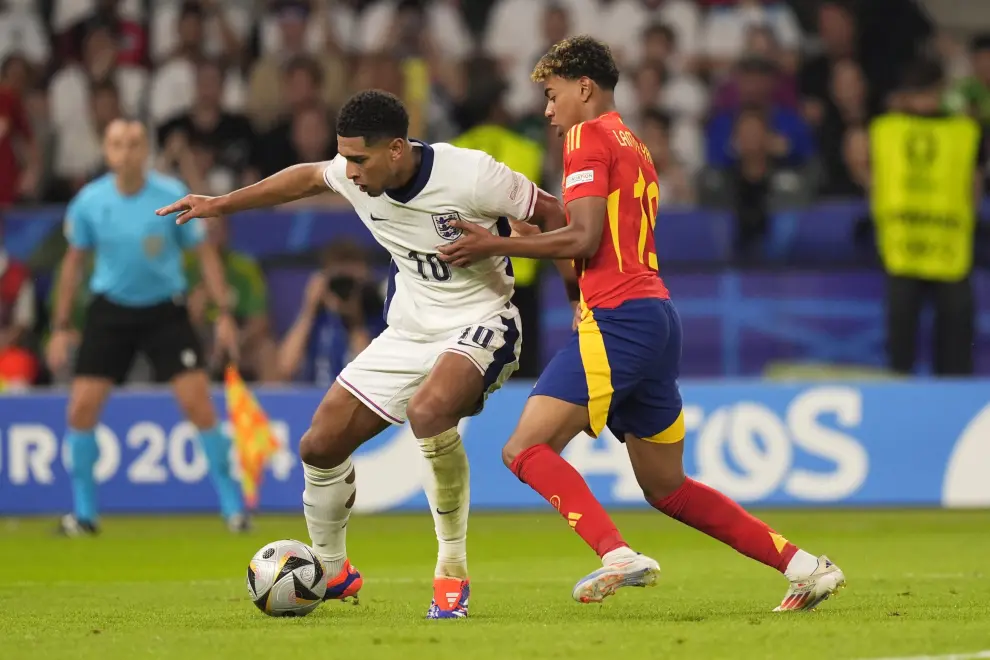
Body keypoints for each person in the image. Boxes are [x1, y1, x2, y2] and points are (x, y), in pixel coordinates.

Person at [438, 36, 846, 612]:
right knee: (667, 487)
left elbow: (583, 237)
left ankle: (616, 554)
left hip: (618, 319)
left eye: (553, 96)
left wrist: (493, 242)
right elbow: (583, 259)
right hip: (653, 316)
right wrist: (538, 241)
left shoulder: (586, 138)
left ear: (585, 88)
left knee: (523, 448)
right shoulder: (634, 144)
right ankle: (806, 567)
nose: (549, 112)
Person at [156, 89, 567, 619]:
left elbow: (554, 215)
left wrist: (580, 301)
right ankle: (332, 570)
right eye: (343, 157)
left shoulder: (472, 175)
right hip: (409, 330)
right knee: (319, 445)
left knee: (429, 413)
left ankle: (452, 572)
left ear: (397, 149)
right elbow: (306, 176)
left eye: (358, 159)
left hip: (483, 320)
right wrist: (219, 204)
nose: (347, 172)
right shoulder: (354, 173)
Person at [46, 119, 245, 536]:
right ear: (107, 150)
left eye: (135, 143)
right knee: (81, 409)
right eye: (118, 144)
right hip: (110, 311)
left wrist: (222, 313)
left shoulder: (170, 195)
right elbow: (73, 264)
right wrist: (62, 325)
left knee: (199, 407)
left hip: (164, 312)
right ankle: (84, 515)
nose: (127, 151)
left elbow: (204, 254)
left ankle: (233, 509)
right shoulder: (88, 201)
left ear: (146, 150)